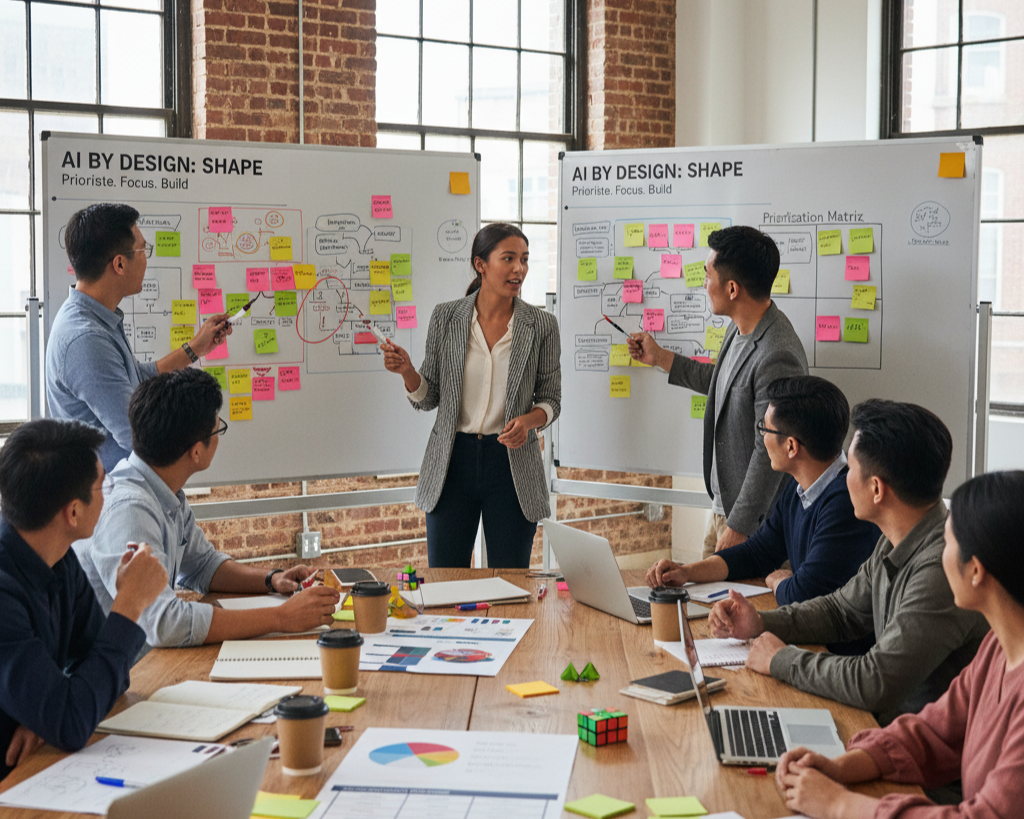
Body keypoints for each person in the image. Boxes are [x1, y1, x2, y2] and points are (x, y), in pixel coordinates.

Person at [708, 399, 989, 725]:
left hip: (920, 757)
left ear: (876, 489)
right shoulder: (897, 536)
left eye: (851, 469)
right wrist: (761, 623)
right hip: (887, 732)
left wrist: (780, 659)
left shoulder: (942, 569)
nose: (844, 478)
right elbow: (841, 611)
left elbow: (875, 681)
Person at [775, 470, 1024, 819]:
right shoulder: (999, 648)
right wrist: (844, 766)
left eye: (948, 544)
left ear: (977, 571)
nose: (940, 556)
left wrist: (839, 804)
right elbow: (934, 732)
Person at [74, 369, 339, 652]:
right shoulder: (129, 509)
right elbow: (163, 624)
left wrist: (271, 580)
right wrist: (281, 618)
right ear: (196, 451)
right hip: (123, 680)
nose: (219, 436)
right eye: (217, 429)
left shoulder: (164, 490)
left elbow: (202, 566)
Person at [646, 376, 880, 654]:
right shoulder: (799, 485)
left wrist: (778, 581)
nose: (761, 437)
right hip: (805, 641)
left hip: (833, 658)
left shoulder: (846, 502)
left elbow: (803, 595)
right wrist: (686, 572)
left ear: (791, 446)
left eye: (764, 428)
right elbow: (756, 554)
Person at [381, 223, 561, 568]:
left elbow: (552, 400)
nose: (518, 269)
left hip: (512, 464)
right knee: (446, 581)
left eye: (524, 259)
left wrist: (528, 421)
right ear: (481, 264)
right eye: (508, 258)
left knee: (509, 582)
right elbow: (428, 397)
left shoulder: (541, 325)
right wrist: (407, 371)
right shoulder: (446, 317)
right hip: (453, 461)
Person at [0, 419, 168, 780]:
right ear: (73, 512)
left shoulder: (58, 558)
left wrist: (44, 715)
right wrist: (130, 602)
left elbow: (109, 674)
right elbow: (73, 721)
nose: (108, 492)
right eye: (101, 484)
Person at [628, 225, 807, 558]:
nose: (704, 283)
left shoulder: (776, 354)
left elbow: (769, 449)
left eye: (708, 275)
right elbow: (724, 382)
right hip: (725, 505)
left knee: (733, 606)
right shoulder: (739, 328)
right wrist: (661, 358)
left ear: (733, 288)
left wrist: (739, 525)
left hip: (753, 521)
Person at [47, 203, 233, 472]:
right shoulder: (86, 340)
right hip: (112, 503)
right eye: (143, 250)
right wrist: (204, 433)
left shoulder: (97, 319)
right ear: (119, 264)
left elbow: (136, 381)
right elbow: (137, 435)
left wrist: (195, 348)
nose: (147, 258)